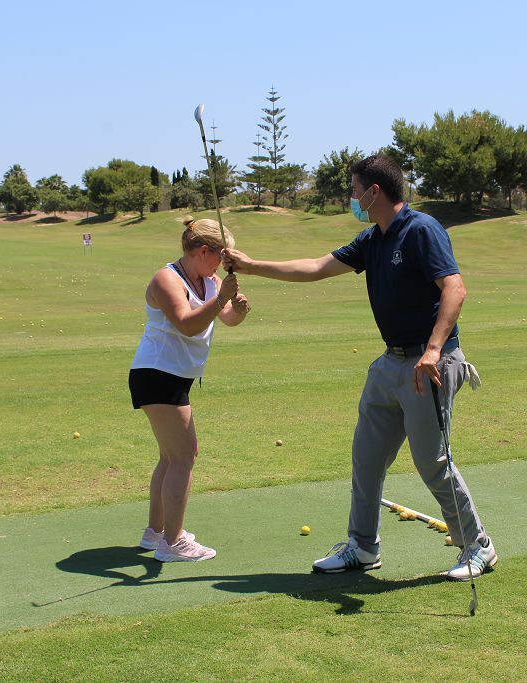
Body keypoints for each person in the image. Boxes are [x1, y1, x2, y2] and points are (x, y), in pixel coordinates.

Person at [223, 155, 495, 580]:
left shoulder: (422, 230)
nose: (350, 196)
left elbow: (455, 288)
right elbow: (315, 268)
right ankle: (363, 547)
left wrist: (432, 349)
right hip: (391, 363)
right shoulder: (372, 240)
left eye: (354, 189)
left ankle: (478, 545)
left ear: (375, 192)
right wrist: (252, 265)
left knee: (432, 463)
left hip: (431, 364)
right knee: (366, 461)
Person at [129, 217, 250, 562]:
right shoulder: (166, 279)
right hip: (157, 373)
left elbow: (226, 318)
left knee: (171, 457)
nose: (225, 265)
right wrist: (220, 300)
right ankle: (173, 542)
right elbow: (186, 325)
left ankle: (154, 534)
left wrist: (237, 309)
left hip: (174, 376)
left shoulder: (210, 280)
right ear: (202, 251)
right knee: (185, 455)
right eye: (222, 257)